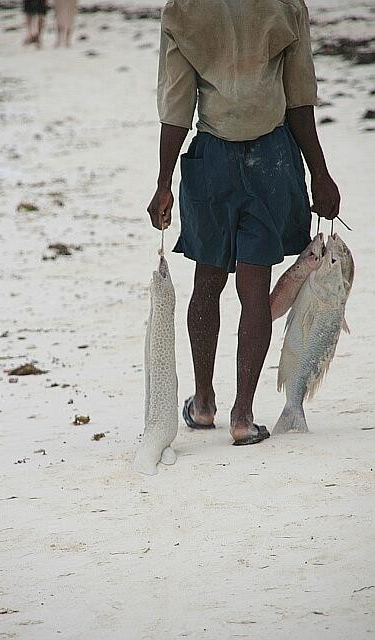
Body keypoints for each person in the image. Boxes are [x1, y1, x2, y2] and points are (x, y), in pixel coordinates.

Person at [147, 0, 340, 445]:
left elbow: (176, 107)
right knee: (254, 289)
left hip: (211, 160)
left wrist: (163, 182)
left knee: (207, 281)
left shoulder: (184, 10)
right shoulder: (285, 6)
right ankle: (242, 416)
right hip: (271, 160)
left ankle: (202, 403)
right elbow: (299, 99)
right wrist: (320, 173)